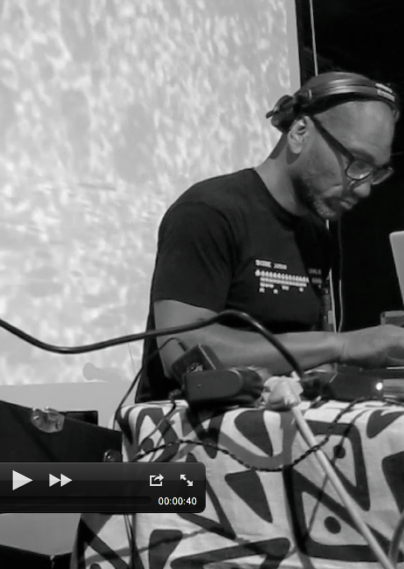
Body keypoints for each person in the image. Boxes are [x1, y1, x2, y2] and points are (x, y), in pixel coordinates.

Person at [136, 71, 404, 402]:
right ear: (300, 132)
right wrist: (345, 344)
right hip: (186, 430)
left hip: (282, 423)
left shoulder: (317, 237)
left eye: (374, 172)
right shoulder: (208, 212)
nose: (363, 189)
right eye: (356, 163)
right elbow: (180, 350)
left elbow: (309, 356)